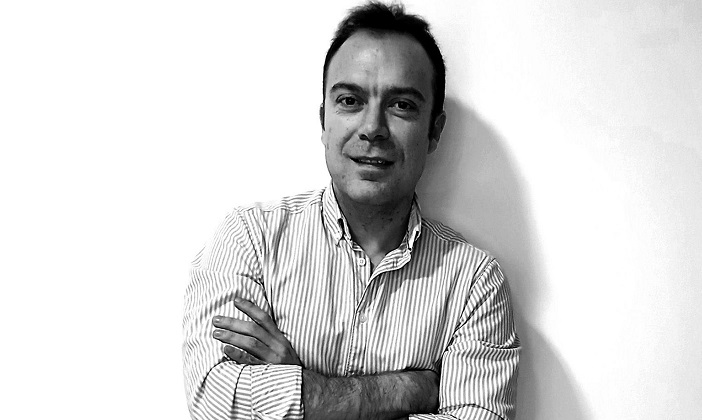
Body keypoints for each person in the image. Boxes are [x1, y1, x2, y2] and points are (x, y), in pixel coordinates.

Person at [183, 2, 520, 419]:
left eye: (402, 105)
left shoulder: (474, 284)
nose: (372, 128)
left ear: (434, 131)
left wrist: (298, 390)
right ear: (324, 120)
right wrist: (406, 390)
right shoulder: (250, 239)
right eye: (350, 100)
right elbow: (216, 403)